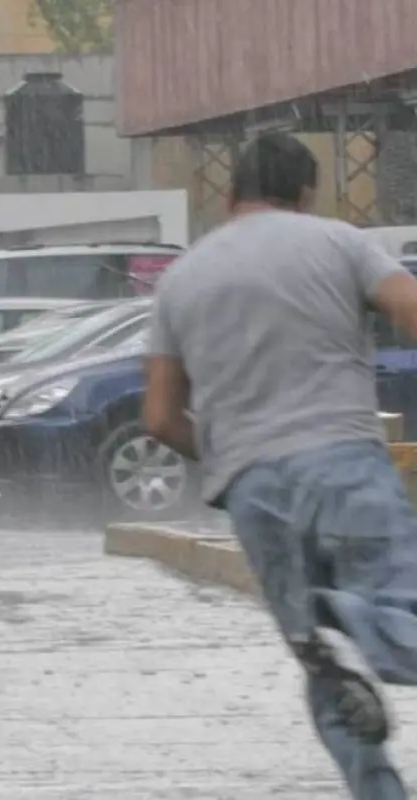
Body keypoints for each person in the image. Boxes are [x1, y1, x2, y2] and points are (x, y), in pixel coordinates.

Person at [144, 131, 417, 799]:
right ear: (304, 193)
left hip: (252, 488)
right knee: (403, 615)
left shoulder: (181, 280)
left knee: (322, 666)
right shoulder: (339, 242)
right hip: (342, 461)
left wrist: (234, 459)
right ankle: (348, 616)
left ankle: (378, 790)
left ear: (230, 193)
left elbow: (158, 418)